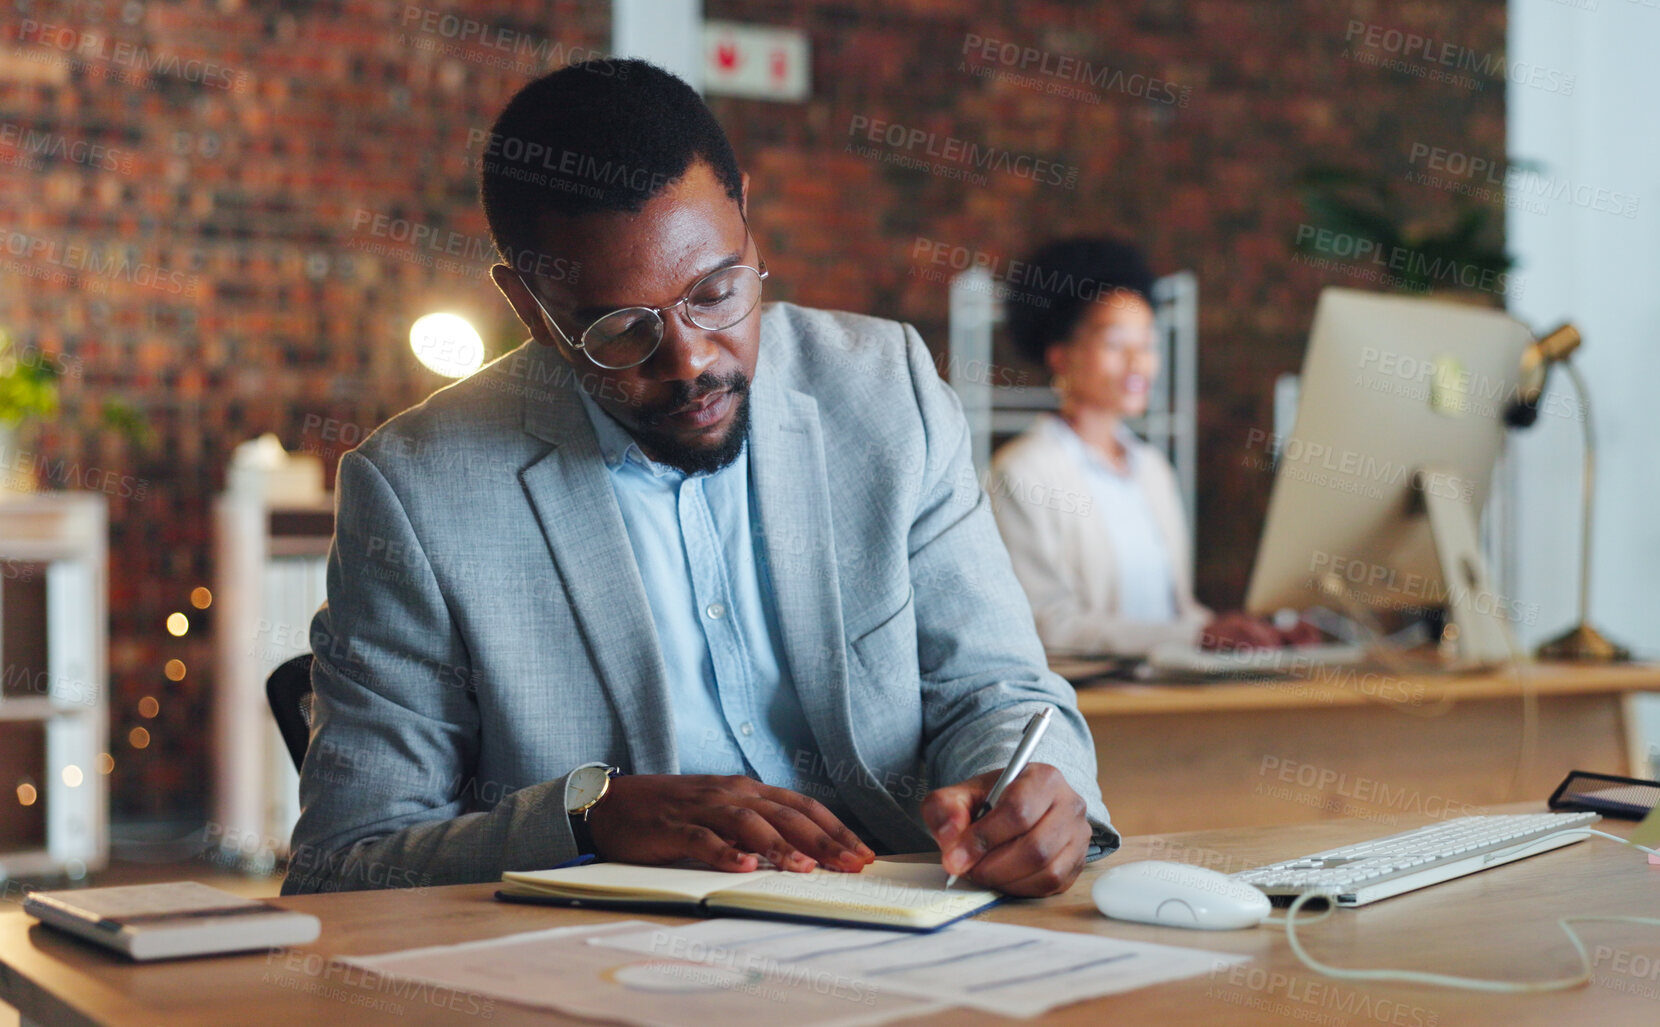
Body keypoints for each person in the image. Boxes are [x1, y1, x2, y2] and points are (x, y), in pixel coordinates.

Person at [283, 60, 1115, 898]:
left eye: (716, 290)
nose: (691, 360)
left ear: (745, 212)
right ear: (531, 309)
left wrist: (1030, 789)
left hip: (916, 914)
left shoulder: (883, 389)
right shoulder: (420, 488)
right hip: (613, 967)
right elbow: (346, 859)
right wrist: (584, 821)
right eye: (619, 327)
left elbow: (997, 687)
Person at [986, 238, 1307, 657]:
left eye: (1149, 343)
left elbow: (1175, 613)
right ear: (1062, 357)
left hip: (1169, 695)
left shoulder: (1152, 468)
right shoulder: (1023, 472)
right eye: (1116, 344)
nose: (1139, 363)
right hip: (1094, 704)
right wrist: (1197, 636)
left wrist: (1252, 634)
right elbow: (1047, 625)